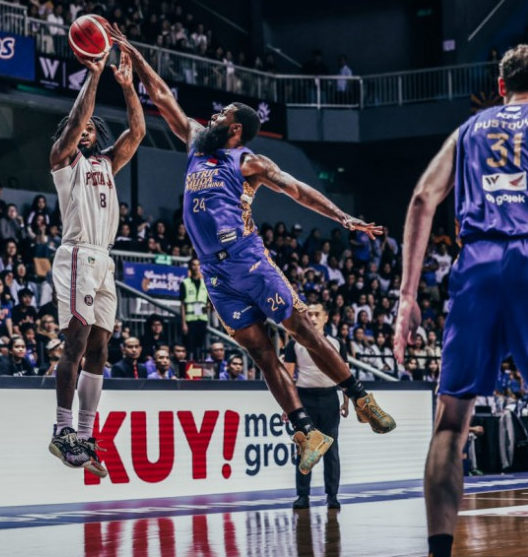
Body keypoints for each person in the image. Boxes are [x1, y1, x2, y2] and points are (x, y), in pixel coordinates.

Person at [112, 26, 395, 477]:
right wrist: (136, 56)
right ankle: (305, 431)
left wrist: (342, 217)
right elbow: (163, 96)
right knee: (261, 353)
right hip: (214, 272)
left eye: (221, 114)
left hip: (247, 257)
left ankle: (360, 396)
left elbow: (298, 190)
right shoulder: (193, 143)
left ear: (235, 127)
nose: (212, 117)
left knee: (303, 329)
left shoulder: (246, 161)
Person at [393, 44, 528, 557]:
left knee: (451, 423)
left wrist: (406, 297)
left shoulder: (468, 130)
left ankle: (440, 551)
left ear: (501, 86)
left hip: (478, 261)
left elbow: (421, 198)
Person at [48, 46, 145, 478]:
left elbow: (138, 131)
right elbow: (74, 121)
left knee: (101, 347)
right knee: (77, 341)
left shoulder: (107, 162)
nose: (84, 130)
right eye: (79, 127)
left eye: (90, 128)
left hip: (104, 259)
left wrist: (126, 88)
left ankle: (85, 434)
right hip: (77, 255)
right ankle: (62, 429)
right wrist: (95, 74)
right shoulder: (64, 161)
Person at [283, 304, 349, 510]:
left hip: (329, 398)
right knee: (305, 449)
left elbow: (345, 374)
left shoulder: (336, 344)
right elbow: (287, 377)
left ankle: (332, 495)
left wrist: (346, 402)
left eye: (316, 314)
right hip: (304, 399)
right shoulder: (294, 344)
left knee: (331, 450)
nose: (312, 317)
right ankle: (302, 496)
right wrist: (287, 406)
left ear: (326, 318)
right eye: (309, 314)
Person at [179, 257, 209, 358]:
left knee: (200, 347)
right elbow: (183, 304)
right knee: (190, 347)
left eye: (198, 265)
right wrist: (183, 323)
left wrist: (207, 308)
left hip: (202, 319)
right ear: (190, 267)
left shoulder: (205, 283)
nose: (196, 267)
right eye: (194, 265)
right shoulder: (185, 283)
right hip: (189, 320)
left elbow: (210, 303)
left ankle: (199, 367)